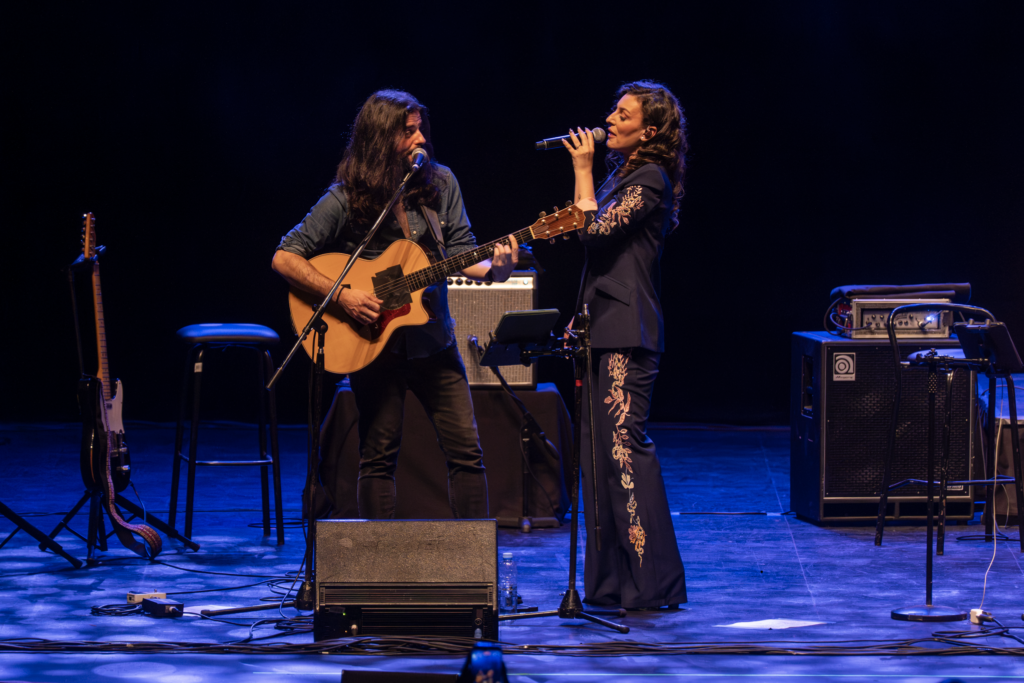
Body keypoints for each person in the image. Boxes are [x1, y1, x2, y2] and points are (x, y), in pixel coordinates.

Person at [272, 89, 518, 520]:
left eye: (420, 127)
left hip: (433, 342)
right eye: (408, 131)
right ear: (381, 138)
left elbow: (463, 251)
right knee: (377, 456)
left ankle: (473, 565)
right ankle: (377, 564)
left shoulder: (441, 184)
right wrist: (345, 295)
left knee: (467, 451)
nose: (420, 137)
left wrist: (497, 271)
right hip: (372, 345)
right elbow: (285, 256)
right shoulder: (347, 196)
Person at [560, 81, 688, 610]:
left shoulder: (650, 177)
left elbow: (595, 232)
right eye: (612, 109)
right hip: (602, 326)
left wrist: (582, 170)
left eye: (623, 113)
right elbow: (602, 260)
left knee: (623, 453)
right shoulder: (625, 176)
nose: (609, 119)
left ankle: (652, 582)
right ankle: (612, 583)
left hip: (628, 334)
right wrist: (580, 315)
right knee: (597, 459)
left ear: (648, 131)